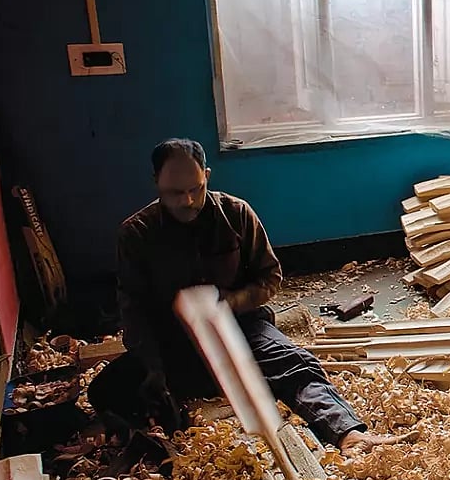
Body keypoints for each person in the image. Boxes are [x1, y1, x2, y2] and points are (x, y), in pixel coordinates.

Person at [88, 139, 408, 456]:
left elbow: (269, 278)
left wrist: (230, 302)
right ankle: (163, 431)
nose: (187, 201)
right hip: (175, 342)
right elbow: (134, 310)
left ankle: (348, 434)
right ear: (156, 182)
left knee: (295, 364)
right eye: (175, 192)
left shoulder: (237, 214)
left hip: (242, 328)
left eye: (195, 189)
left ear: (207, 176)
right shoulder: (136, 234)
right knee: (107, 390)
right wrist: (153, 367)